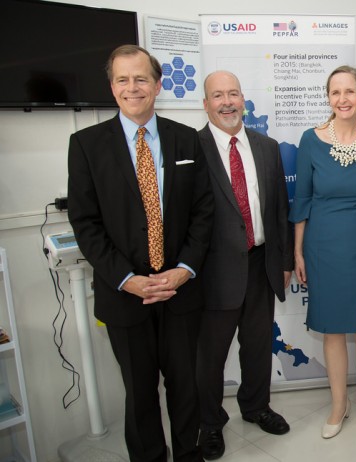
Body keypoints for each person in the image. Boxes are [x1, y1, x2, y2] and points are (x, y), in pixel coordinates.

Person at [67, 45, 214, 462]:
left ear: (158, 84)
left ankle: (188, 455)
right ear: (112, 86)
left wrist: (184, 269)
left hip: (180, 292)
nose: (132, 87)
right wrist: (126, 279)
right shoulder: (86, 145)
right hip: (124, 294)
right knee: (140, 391)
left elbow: (204, 211)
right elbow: (86, 223)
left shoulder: (185, 138)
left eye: (141, 78)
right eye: (122, 79)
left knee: (187, 386)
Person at [195, 71, 294, 460]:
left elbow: (281, 209)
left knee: (256, 345)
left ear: (243, 98)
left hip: (261, 262)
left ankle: (256, 407)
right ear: (205, 104)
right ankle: (210, 421)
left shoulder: (266, 147)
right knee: (211, 354)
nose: (227, 102)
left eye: (233, 93)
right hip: (213, 270)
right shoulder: (191, 146)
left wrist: (284, 259)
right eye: (217, 95)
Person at [289, 65, 356, 439]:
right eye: (336, 92)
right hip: (321, 245)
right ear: (328, 98)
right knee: (332, 329)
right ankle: (338, 404)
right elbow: (302, 200)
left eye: (350, 91)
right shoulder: (310, 139)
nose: (343, 99)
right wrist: (297, 253)